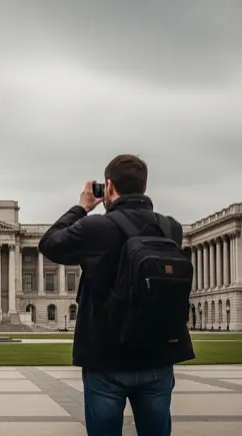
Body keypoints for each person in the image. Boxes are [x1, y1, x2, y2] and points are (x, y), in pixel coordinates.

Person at [38, 154, 195, 436]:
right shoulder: (171, 228)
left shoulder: (96, 228)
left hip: (106, 358)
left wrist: (82, 207)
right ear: (144, 188)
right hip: (158, 356)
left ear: (108, 187)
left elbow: (49, 243)